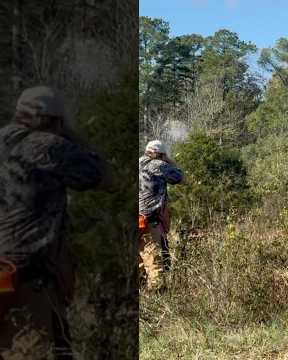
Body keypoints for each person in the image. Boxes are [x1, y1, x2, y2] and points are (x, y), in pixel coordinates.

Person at [0, 86, 113, 359]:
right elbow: (107, 178)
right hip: (26, 278)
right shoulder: (47, 145)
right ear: (51, 120)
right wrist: (70, 135)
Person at [139, 140, 183, 290]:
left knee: (140, 260)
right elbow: (179, 177)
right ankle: (157, 298)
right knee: (155, 261)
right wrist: (170, 161)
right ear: (160, 154)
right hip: (148, 221)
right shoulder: (157, 165)